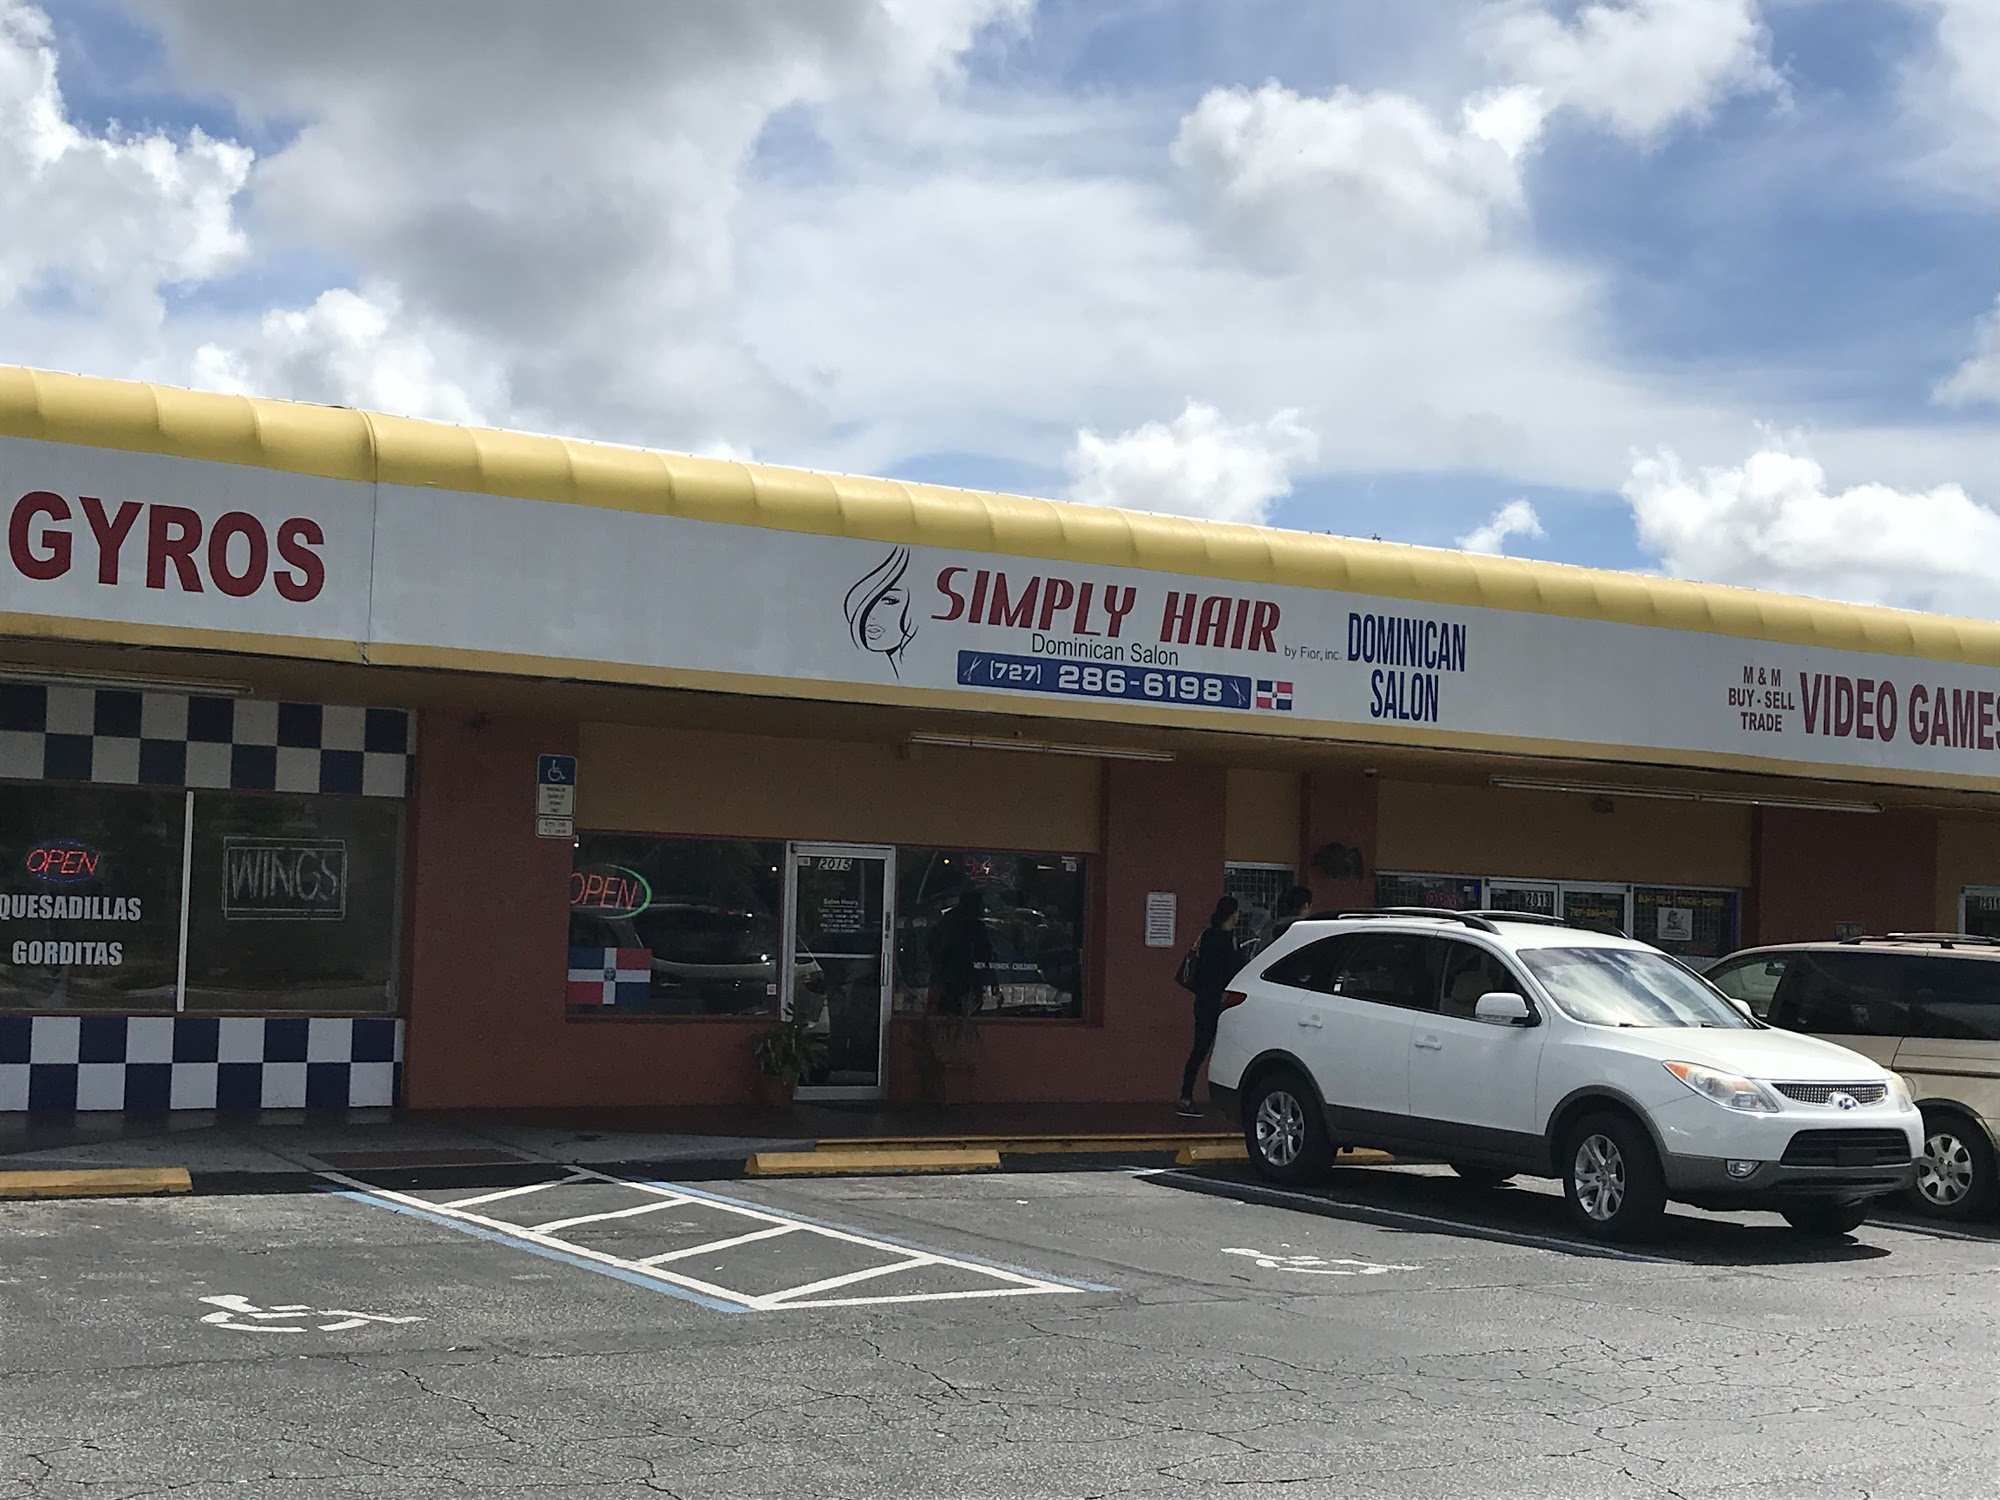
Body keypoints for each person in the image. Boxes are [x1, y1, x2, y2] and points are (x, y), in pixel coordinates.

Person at [1178, 895, 1246, 1117]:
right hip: (1224, 1002)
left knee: (1199, 1048)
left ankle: (1185, 1096)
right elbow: (1236, 970)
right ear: (1232, 914)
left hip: (1204, 999)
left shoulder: (1207, 935)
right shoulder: (1229, 941)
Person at [929, 889, 995, 1016]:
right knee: (964, 1012)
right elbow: (984, 949)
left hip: (949, 975)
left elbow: (933, 944)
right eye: (980, 903)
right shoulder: (972, 922)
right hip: (962, 976)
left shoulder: (948, 920)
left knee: (948, 1012)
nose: (982, 907)